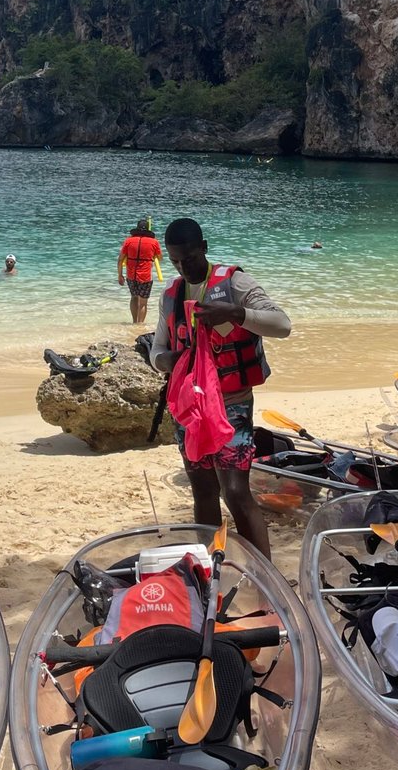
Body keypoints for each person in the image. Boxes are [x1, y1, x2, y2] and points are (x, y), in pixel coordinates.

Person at [150, 217, 291, 558]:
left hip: (232, 403)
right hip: (190, 408)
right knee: (202, 490)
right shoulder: (171, 295)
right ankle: (208, 568)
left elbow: (282, 325)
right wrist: (168, 361)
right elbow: (157, 350)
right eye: (175, 261)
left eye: (190, 258)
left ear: (204, 248)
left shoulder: (235, 283)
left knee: (235, 491)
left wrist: (236, 312)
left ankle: (265, 576)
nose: (184, 267)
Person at [117, 218, 164, 325]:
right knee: (143, 303)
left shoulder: (128, 241)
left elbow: (120, 259)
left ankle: (134, 322)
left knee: (134, 298)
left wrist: (120, 275)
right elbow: (160, 258)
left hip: (131, 275)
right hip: (146, 276)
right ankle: (140, 325)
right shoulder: (154, 242)